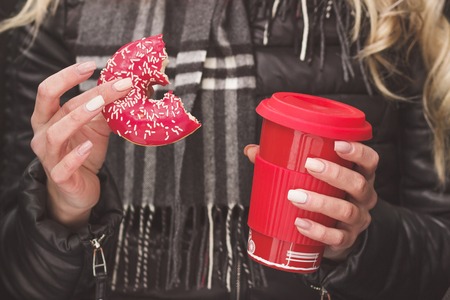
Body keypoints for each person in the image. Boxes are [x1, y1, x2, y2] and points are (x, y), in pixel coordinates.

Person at [0, 0, 449, 299]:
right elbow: (15, 279)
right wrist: (60, 209)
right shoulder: (50, 13)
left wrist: (356, 240)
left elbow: (438, 261)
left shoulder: (394, 16)